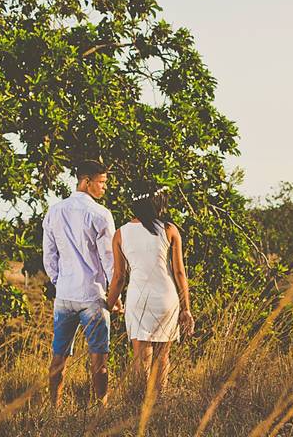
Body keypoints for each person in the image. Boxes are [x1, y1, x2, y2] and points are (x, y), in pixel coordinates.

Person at [42, 159, 118, 408]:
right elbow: (109, 260)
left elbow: (49, 255)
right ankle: (102, 407)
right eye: (102, 182)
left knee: (58, 357)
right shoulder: (100, 214)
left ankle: (54, 407)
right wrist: (114, 295)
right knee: (99, 357)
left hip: (64, 295)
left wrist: (58, 280)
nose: (104, 187)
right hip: (92, 296)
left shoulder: (54, 210)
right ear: (87, 182)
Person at [106, 188, 194, 397]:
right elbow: (180, 272)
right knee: (163, 356)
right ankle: (159, 402)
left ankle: (140, 403)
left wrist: (107, 306)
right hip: (166, 298)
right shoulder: (170, 229)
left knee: (141, 357)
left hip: (138, 298)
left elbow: (119, 277)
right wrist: (186, 309)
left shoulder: (120, 233)